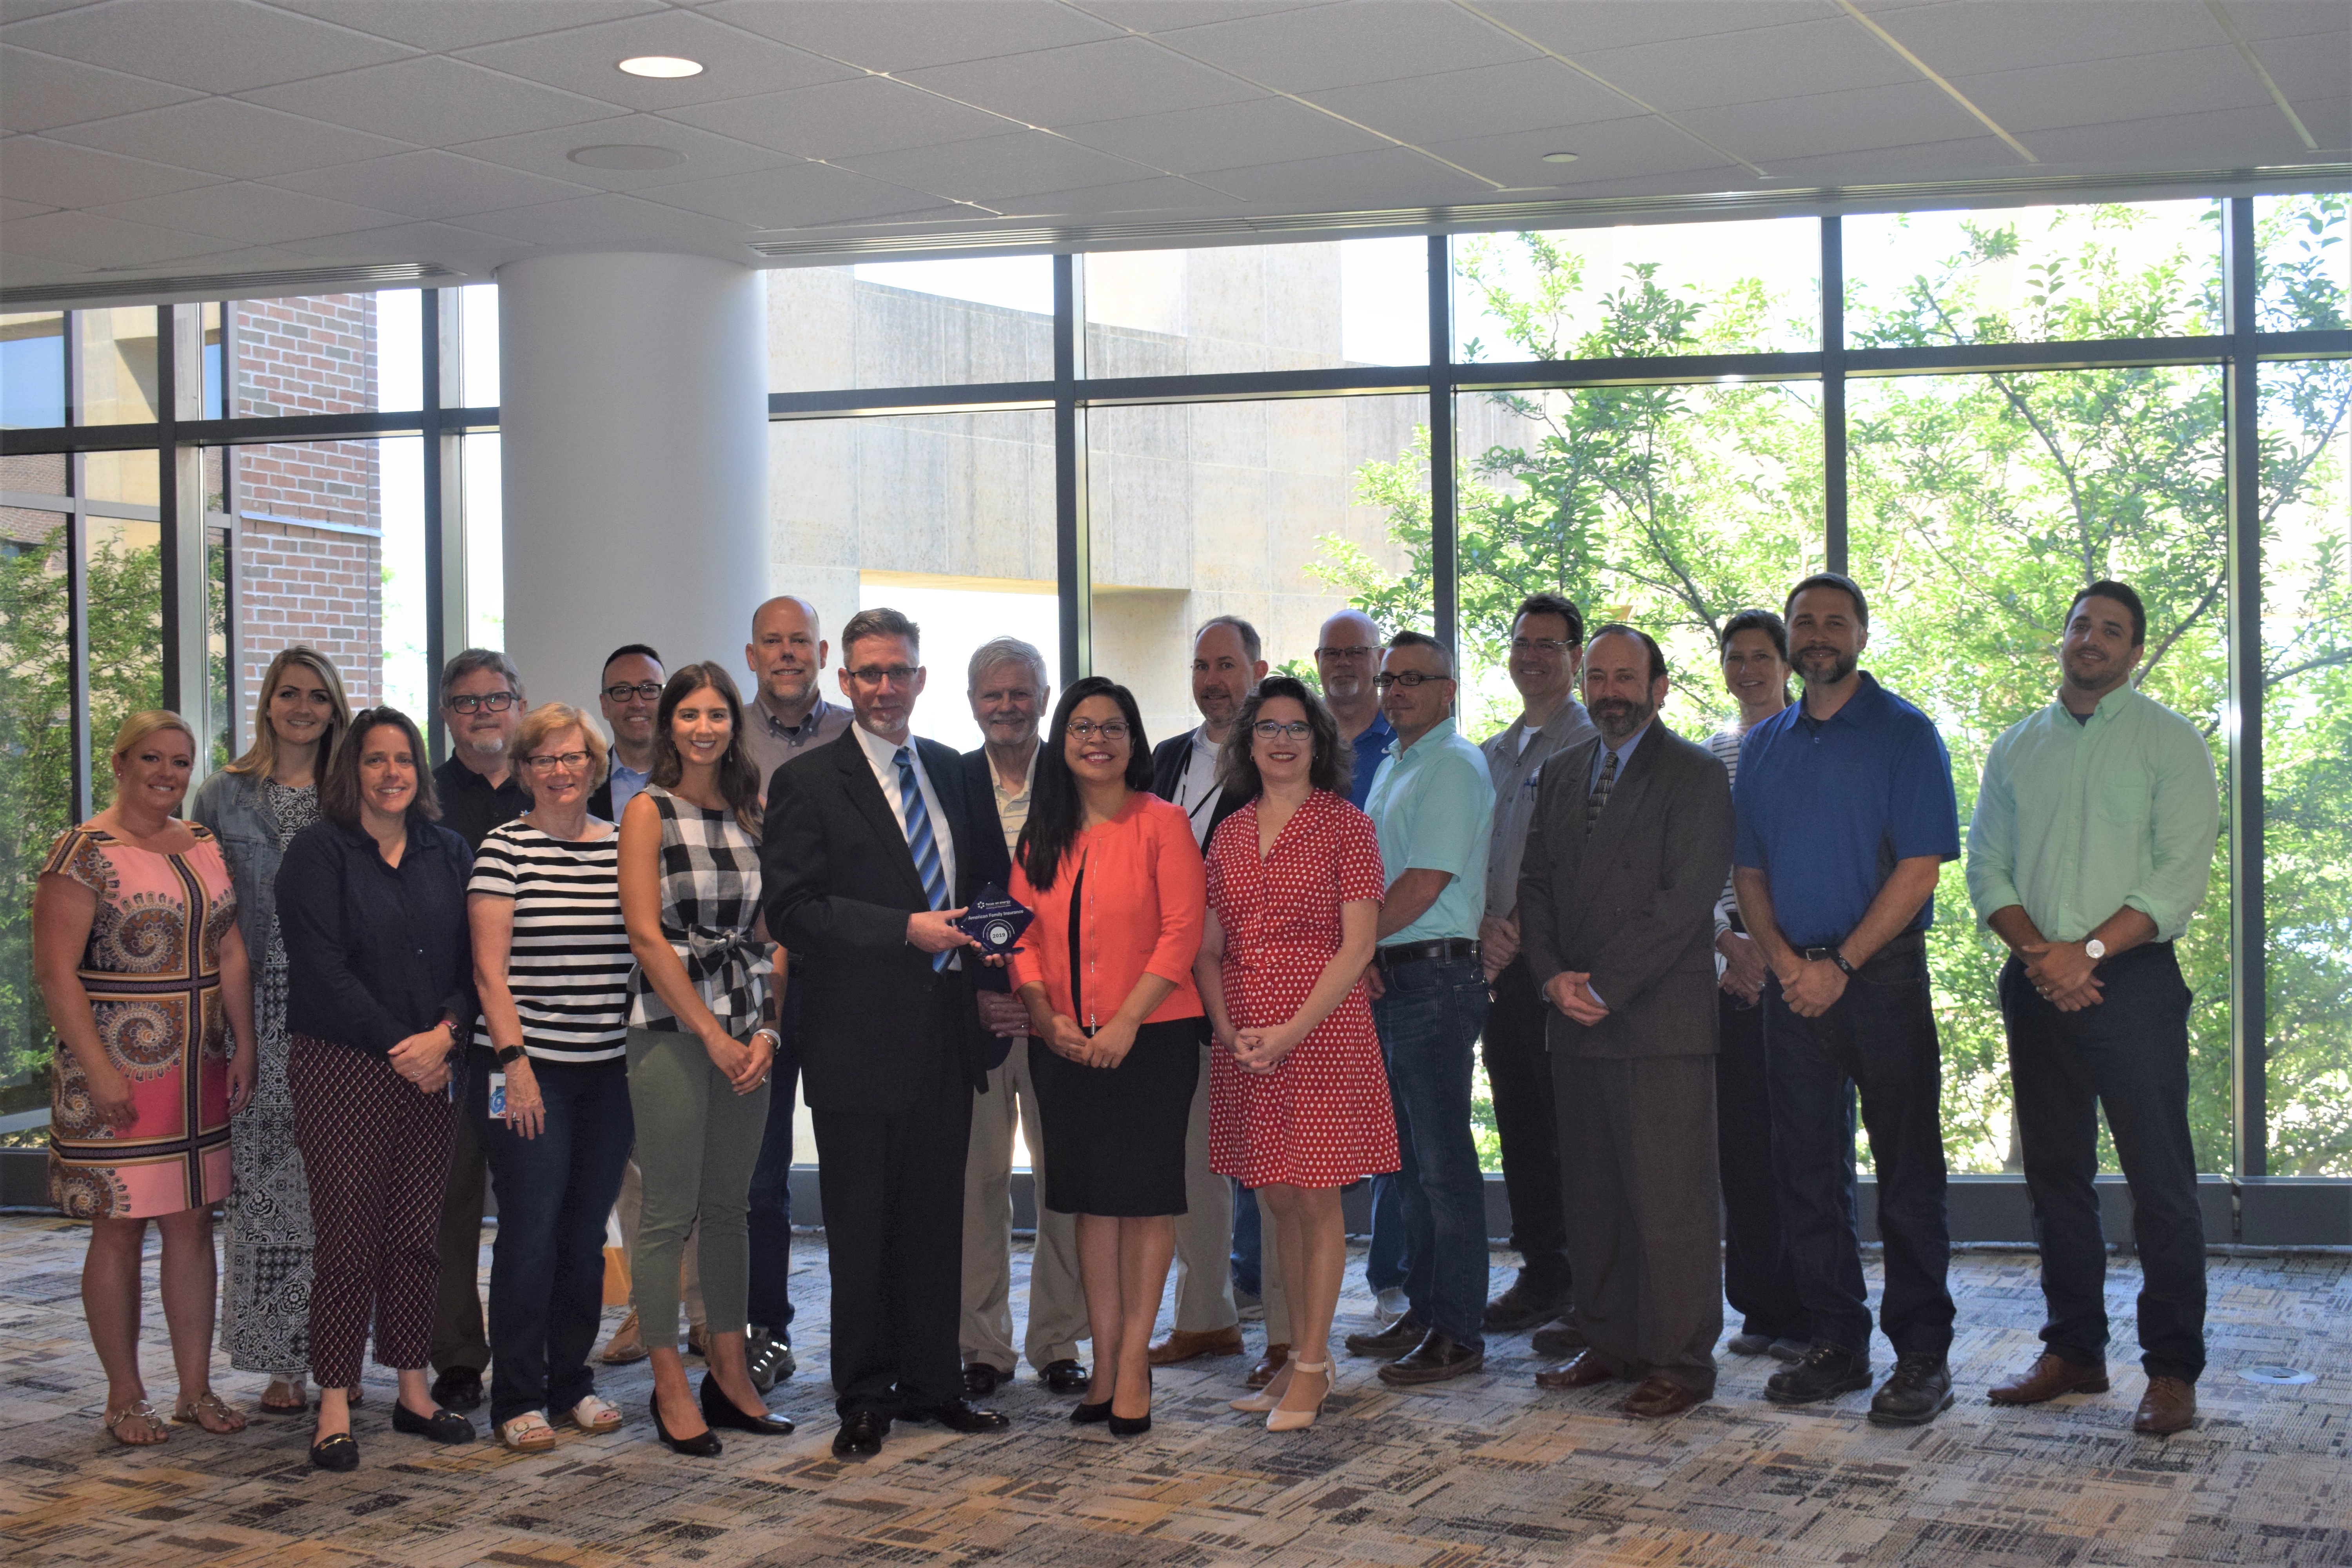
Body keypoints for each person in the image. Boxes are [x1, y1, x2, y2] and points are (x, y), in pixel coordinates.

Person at [1969, 581, 2220, 1436]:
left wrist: (2090, 952)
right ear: (2065, 637)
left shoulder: (2171, 742)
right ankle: (2074, 1350)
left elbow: (2177, 878)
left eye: (2112, 630)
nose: (2092, 639)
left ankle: (2172, 1370)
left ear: (2134, 650)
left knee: (2162, 1186)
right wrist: (2045, 956)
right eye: (2082, 624)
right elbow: (1986, 869)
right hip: (2037, 980)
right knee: (2056, 1179)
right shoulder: (2017, 746)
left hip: (2135, 982)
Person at [763, 608, 1011, 1460]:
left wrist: (994, 975)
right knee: (862, 1228)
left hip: (947, 1035)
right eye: (867, 673)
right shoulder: (807, 783)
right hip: (855, 1041)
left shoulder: (954, 770)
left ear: (919, 678)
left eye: (897, 671)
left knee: (936, 1219)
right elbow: (794, 911)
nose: (882, 687)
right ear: (844, 681)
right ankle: (863, 1395)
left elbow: (986, 886)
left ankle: (935, 1383)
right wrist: (904, 927)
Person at [1731, 572, 1962, 1426]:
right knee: (1804, 1171)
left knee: (1907, 1171)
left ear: (1862, 635)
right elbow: (1747, 870)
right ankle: (1837, 1337)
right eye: (1805, 622)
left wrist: (1841, 965)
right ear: (1791, 639)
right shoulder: (1765, 744)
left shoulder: (1906, 733)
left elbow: (1920, 867)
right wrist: (1789, 962)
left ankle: (1922, 1356)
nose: (1818, 633)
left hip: (1884, 979)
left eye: (1835, 621)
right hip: (1792, 983)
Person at [1519, 626, 1735, 1419]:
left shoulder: (1697, 774)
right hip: (1574, 1017)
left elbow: (1684, 901)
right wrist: (1550, 976)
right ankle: (1610, 1340)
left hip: (1658, 1021)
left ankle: (1680, 1360)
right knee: (1596, 1194)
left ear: (1661, 686)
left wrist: (1606, 985)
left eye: (1626, 676)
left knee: (1670, 1201)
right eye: (1598, 675)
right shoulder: (1562, 770)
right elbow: (1533, 884)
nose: (1610, 689)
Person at [36, 712, 257, 1446]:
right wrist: (99, 1071)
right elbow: (55, 974)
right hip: (117, 1072)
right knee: (121, 1227)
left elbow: (229, 948)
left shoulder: (201, 844)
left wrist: (246, 1044)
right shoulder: (81, 852)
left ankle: (195, 1390)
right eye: (153, 759)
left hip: (201, 1067)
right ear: (122, 762)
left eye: (181, 762)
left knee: (194, 1224)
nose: (168, 774)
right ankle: (125, 1395)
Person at [275, 707, 479, 1470]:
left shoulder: (449, 850)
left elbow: (477, 962)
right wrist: (407, 1046)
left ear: (419, 771)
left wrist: (448, 1035)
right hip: (343, 1063)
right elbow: (321, 970)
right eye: (375, 759)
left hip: (437, 1062)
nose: (391, 772)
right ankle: (334, 1399)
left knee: (417, 1234)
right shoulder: (318, 851)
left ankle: (415, 1388)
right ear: (350, 771)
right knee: (349, 1237)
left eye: (404, 759)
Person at [1010, 677, 1209, 1438]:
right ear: (1062, 741)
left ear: (1133, 740)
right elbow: (1019, 935)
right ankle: (1102, 1363)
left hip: (1151, 1037)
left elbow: (1181, 931)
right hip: (1063, 1040)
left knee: (1146, 1201)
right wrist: (1045, 1014)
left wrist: (1126, 1021)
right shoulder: (1044, 832)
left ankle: (1132, 1364)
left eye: (1114, 726)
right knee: (1091, 1202)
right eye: (1083, 726)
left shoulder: (1163, 823)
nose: (1098, 738)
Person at [1198, 677, 1396, 1432]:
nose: (1282, 740)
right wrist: (1225, 1026)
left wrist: (1287, 1034)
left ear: (1320, 743)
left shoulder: (1349, 826)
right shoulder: (1228, 831)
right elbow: (1209, 948)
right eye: (1268, 728)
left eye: (1298, 729)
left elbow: (1357, 947)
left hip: (1322, 1034)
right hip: (1245, 1037)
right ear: (1248, 743)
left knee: (1316, 1202)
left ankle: (1311, 1365)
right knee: (1276, 1196)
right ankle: (1296, 1355)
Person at [617, 664, 792, 1456]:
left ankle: (731, 1373)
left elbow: (771, 934)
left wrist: (763, 1033)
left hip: (748, 1032)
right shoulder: (649, 809)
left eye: (717, 712)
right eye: (688, 712)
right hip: (669, 1030)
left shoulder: (755, 813)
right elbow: (647, 936)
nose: (704, 726)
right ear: (669, 724)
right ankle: (671, 1383)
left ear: (734, 723)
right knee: (668, 1214)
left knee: (732, 1209)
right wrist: (712, 1034)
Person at [470, 703, 637, 1450]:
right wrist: (518, 1065)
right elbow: (487, 972)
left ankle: (571, 1383)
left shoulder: (622, 847)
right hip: (525, 1071)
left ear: (594, 765)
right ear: (525, 770)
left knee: (582, 1234)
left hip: (608, 1073)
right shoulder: (503, 849)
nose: (561, 772)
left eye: (573, 758)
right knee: (529, 1233)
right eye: (545, 760)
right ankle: (515, 1396)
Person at [192, 646, 352, 1416]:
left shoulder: (353, 793)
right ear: (268, 701)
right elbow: (206, 917)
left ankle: (335, 1356)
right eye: (289, 693)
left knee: (338, 1193)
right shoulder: (222, 795)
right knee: (265, 1198)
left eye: (317, 696)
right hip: (255, 1011)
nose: (302, 708)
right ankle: (279, 1362)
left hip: (339, 1010)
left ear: (334, 706)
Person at [1342, 632, 1496, 1387]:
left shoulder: (1453, 766)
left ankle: (1460, 1333)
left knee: (1441, 1168)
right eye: (1389, 678)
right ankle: (1430, 1310)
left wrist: (1353, 947)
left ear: (1449, 691)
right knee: (1406, 1167)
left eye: (1414, 679)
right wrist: (1366, 954)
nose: (1396, 690)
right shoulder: (1397, 765)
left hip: (1434, 982)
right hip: (1395, 975)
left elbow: (1426, 882)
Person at [956, 637, 1090, 1399]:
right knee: (977, 1185)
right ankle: (982, 1345)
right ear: (973, 701)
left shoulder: (1076, 784)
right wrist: (982, 989)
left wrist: (1046, 997)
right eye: (992, 693)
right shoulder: (949, 779)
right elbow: (940, 889)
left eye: (1021, 692)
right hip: (976, 1018)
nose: (1007, 705)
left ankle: (1058, 1341)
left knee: (1061, 1185)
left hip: (1061, 1019)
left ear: (1045, 697)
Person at [733, 594, 853, 1385]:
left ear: (821, 652)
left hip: (844, 977)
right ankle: (765, 1329)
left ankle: (866, 1333)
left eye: (800, 641)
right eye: (773, 642)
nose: (786, 653)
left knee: (853, 1166)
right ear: (752, 655)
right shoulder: (718, 737)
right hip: (752, 983)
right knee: (761, 1171)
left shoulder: (857, 733)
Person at [1142, 615, 1262, 1371]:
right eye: (1201, 667)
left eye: (1227, 664)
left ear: (1258, 668)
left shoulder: (1276, 758)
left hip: (1253, 988)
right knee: (1192, 1162)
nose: (1213, 680)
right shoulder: (1162, 759)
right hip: (1168, 993)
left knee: (1271, 1167)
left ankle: (1286, 1333)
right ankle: (1208, 1316)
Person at [1474, 593, 1595, 1339]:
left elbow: (1581, 862)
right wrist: (1486, 931)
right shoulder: (1492, 753)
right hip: (1497, 969)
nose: (1534, 656)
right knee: (1519, 1123)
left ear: (1575, 659)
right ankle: (1543, 1272)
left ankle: (1589, 1280)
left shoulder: (1593, 745)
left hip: (1563, 967)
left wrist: (1521, 929)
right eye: (1523, 642)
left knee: (1571, 1131)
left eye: (1550, 645)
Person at [427, 648, 529, 1415]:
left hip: (540, 1036)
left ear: (519, 704)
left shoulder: (556, 786)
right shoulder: (422, 799)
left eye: (496, 699)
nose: (484, 712)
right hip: (456, 1039)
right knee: (453, 1199)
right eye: (467, 703)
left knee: (534, 1200)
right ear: (447, 715)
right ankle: (458, 1354)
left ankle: (537, 1349)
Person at [1705, 610, 1808, 1363]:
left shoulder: (1812, 744)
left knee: (1802, 1143)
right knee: (1742, 1144)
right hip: (1731, 964)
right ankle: (1761, 1305)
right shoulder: (1711, 756)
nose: (1749, 670)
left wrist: (1777, 953)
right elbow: (1697, 863)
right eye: (1736, 658)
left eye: (1762, 657)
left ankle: (1811, 1302)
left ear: (1787, 664)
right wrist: (1726, 946)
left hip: (1803, 963)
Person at [1316, 610, 1409, 1329]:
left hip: (1384, 961)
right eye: (1332, 653)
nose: (1344, 664)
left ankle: (1391, 1278)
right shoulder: (1296, 743)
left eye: (1357, 652)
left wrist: (1367, 949)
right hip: (1299, 967)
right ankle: (1255, 1276)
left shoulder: (1407, 743)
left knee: (1390, 1129)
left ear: (1377, 662)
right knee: (1285, 1121)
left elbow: (1406, 861)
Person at [587, 644, 663, 820]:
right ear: (604, 705)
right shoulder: (584, 783)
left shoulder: (694, 777)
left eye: (649, 689)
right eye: (622, 691)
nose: (637, 704)